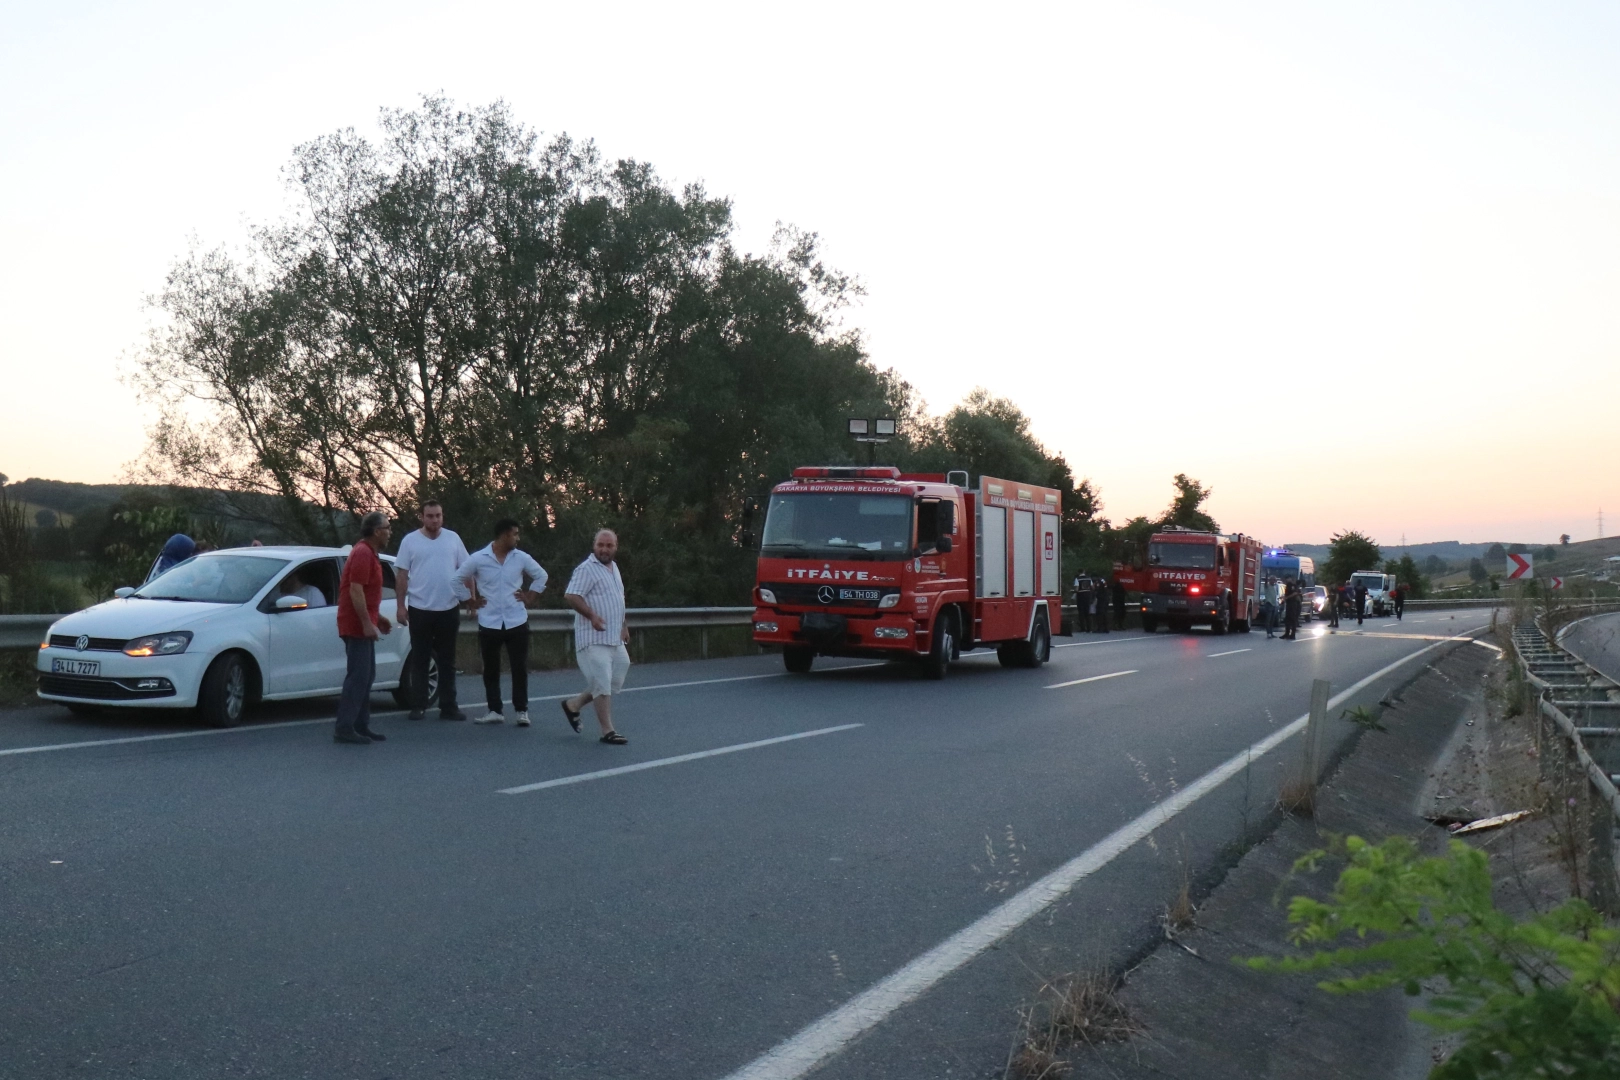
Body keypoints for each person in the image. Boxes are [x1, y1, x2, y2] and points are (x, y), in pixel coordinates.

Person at [452, 519, 547, 726]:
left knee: (519, 668)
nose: (517, 538)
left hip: (516, 620)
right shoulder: (479, 558)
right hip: (490, 621)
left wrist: (530, 597)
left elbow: (541, 575)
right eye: (515, 534)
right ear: (504, 535)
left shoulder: (521, 557)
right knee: (491, 668)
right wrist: (470, 600)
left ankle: (521, 710)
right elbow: (456, 579)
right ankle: (495, 710)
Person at [394, 499, 470, 722]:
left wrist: (470, 599)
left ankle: (449, 706)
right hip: (420, 608)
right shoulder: (410, 541)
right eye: (430, 516)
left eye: (438, 515)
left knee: (448, 660)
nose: (435, 520)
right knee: (420, 659)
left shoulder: (453, 539)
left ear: (442, 516)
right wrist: (400, 606)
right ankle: (419, 705)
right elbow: (401, 576)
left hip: (448, 607)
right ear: (422, 517)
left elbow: (466, 569)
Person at [561, 529, 631, 745]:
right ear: (594, 545)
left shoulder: (614, 568)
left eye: (609, 545)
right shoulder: (586, 569)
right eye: (600, 545)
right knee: (602, 682)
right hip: (593, 637)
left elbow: (618, 599)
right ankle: (607, 731)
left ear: (616, 547)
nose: (604, 549)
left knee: (616, 677)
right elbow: (571, 595)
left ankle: (573, 705)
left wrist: (624, 625)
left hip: (614, 637)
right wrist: (591, 615)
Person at [334, 512, 393, 745]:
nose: (389, 532)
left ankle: (360, 724)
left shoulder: (371, 553)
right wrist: (367, 623)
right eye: (387, 528)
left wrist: (378, 618)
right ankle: (344, 727)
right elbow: (355, 590)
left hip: (364, 621)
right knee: (358, 676)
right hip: (355, 624)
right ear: (376, 531)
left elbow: (367, 594)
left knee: (367, 675)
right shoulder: (362, 553)